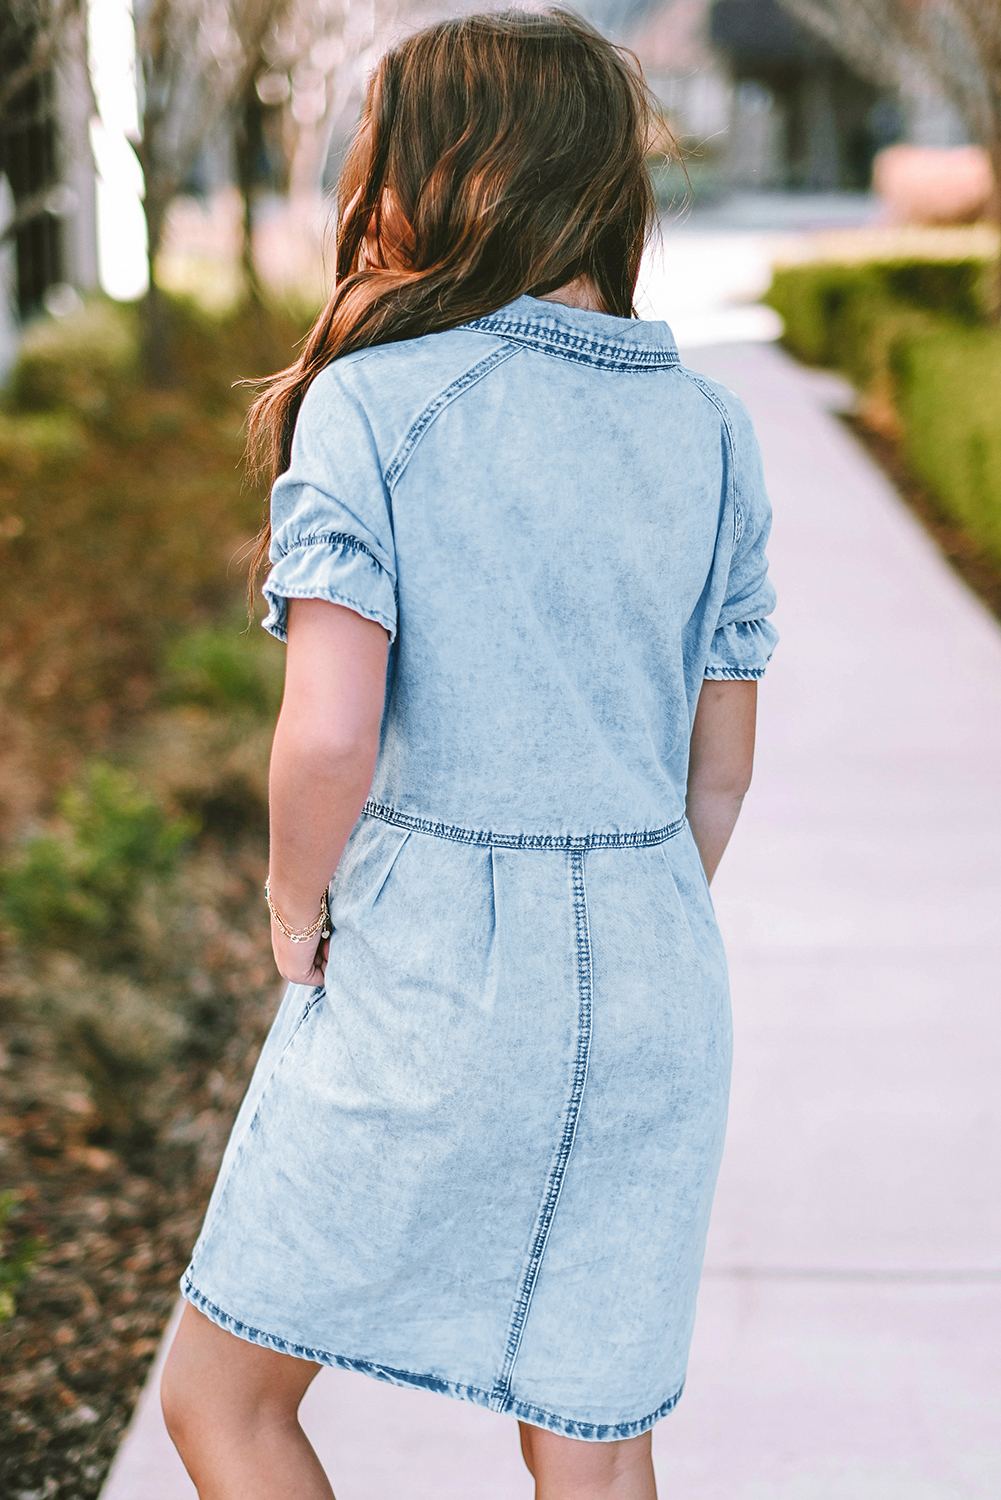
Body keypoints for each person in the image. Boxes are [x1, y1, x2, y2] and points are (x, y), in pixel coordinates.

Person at [160, 9, 778, 1497]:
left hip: (432, 962)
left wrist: (297, 919)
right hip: (655, 968)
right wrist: (630, 902)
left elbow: (329, 734)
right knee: (592, 1428)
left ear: (444, 173)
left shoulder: (375, 403)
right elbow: (721, 771)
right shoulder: (709, 431)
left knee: (222, 1397)